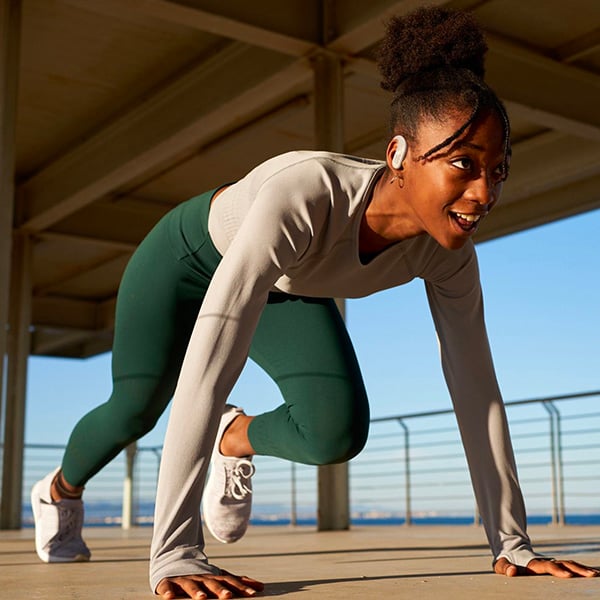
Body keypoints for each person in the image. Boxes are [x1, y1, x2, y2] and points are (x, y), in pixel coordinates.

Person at [31, 6, 598, 598]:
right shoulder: (308, 195)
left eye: (498, 170)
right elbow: (209, 365)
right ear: (399, 153)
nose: (485, 193)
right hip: (187, 259)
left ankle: (234, 437)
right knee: (137, 406)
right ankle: (60, 491)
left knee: (335, 429)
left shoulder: (448, 254)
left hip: (283, 283)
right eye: (463, 163)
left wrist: (512, 543)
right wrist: (175, 552)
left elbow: (476, 385)